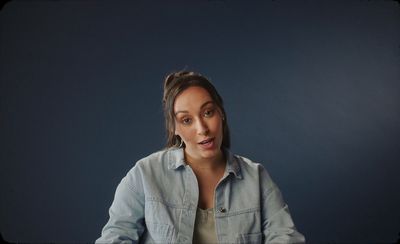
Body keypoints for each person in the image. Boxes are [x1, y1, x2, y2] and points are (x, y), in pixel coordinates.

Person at [95, 71, 305, 243]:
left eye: (208, 112)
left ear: (221, 113)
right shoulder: (144, 174)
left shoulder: (256, 178)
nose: (202, 129)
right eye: (186, 120)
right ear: (174, 128)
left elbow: (286, 238)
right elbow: (115, 237)